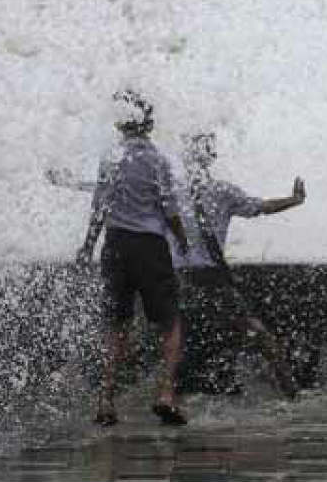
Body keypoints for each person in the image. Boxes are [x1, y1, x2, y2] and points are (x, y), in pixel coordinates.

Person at [77, 89, 190, 427]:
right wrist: (182, 240)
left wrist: (87, 245)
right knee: (170, 320)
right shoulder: (157, 160)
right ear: (149, 123)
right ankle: (167, 393)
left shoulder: (111, 157)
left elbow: (100, 206)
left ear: (120, 123)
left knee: (117, 324)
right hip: (149, 246)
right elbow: (169, 209)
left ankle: (106, 399)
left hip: (115, 245)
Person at [177, 131, 307, 398]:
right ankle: (290, 392)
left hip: (191, 279)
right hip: (198, 278)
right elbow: (259, 207)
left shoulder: (211, 191)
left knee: (174, 340)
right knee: (259, 336)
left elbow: (259, 206)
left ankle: (290, 392)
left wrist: (293, 200)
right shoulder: (175, 189)